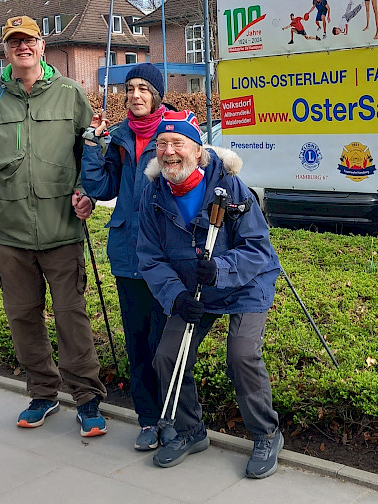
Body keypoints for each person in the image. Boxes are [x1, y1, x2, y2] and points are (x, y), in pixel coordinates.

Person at [0, 15, 108, 438]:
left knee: (71, 316)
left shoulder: (71, 94)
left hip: (62, 230)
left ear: (42, 46)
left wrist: (86, 192)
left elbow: (91, 154)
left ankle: (86, 398)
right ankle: (43, 393)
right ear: (6, 51)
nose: (22, 47)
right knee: (23, 316)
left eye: (29, 40)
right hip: (10, 234)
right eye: (14, 42)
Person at [136, 110, 283, 479]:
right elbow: (150, 257)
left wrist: (223, 267)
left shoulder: (230, 186)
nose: (169, 152)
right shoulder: (153, 194)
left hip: (246, 282)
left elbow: (258, 248)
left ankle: (267, 434)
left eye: (178, 144)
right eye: (162, 144)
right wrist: (175, 296)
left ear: (198, 151)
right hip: (193, 288)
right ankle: (190, 431)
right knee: (167, 356)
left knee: (242, 355)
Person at [81, 63, 170, 451]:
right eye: (129, 88)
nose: (135, 95)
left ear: (157, 95)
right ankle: (148, 420)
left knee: (165, 344)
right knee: (137, 341)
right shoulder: (118, 137)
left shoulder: (175, 135)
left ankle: (178, 418)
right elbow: (100, 187)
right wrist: (91, 146)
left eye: (143, 89)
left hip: (166, 256)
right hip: (127, 253)